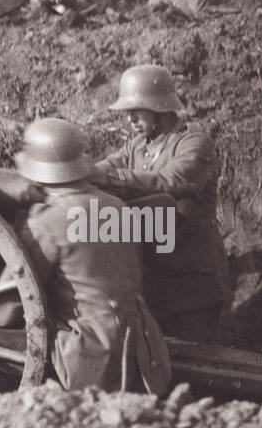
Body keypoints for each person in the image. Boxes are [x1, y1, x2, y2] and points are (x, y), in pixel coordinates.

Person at [0, 119, 170, 393]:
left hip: (86, 354)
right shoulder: (118, 207)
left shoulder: (46, 223)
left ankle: (11, 409)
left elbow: (10, 307)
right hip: (140, 348)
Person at [90, 65, 230, 342]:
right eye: (127, 112)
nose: (129, 119)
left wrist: (107, 176)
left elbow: (172, 181)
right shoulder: (137, 145)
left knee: (194, 361)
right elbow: (105, 168)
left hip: (191, 278)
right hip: (152, 275)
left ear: (161, 107)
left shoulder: (192, 143)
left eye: (137, 111)